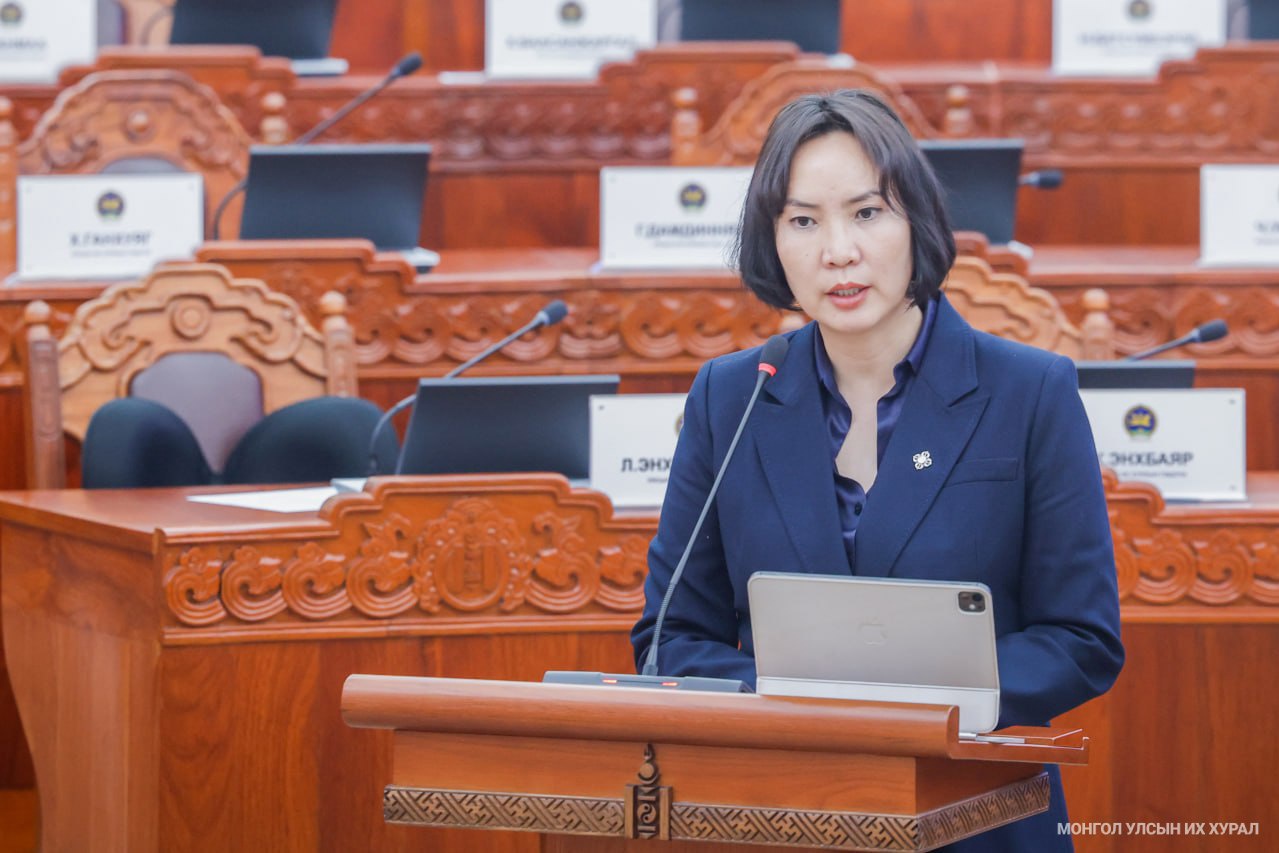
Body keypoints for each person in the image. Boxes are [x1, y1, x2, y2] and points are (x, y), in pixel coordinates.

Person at [631, 89, 1124, 852]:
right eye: (802, 221)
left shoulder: (1029, 391)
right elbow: (671, 636)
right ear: (771, 241)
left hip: (976, 815)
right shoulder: (730, 397)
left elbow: (1080, 638)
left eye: (866, 213)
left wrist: (918, 702)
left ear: (915, 221)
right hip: (785, 815)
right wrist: (801, 705)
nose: (837, 251)